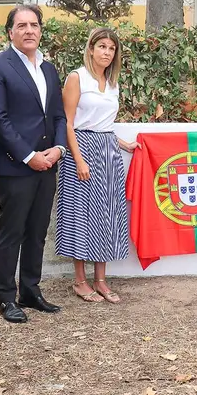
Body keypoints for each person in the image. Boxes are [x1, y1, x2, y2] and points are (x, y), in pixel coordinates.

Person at [0, 4, 68, 323]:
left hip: (49, 163)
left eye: (34, 25)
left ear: (40, 30)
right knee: (12, 231)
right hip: (14, 166)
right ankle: (6, 297)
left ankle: (30, 290)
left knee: (36, 231)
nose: (29, 30)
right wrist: (29, 156)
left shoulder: (48, 68)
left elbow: (58, 114)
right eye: (22, 26)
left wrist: (58, 149)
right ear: (10, 32)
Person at [56, 27, 139, 303]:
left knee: (107, 215)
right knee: (82, 215)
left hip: (108, 151)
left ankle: (101, 280)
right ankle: (80, 281)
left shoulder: (112, 83)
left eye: (111, 48)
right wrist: (78, 158)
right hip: (81, 149)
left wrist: (123, 144)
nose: (106, 52)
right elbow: (68, 123)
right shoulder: (77, 78)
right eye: (101, 46)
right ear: (91, 49)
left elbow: (104, 124)